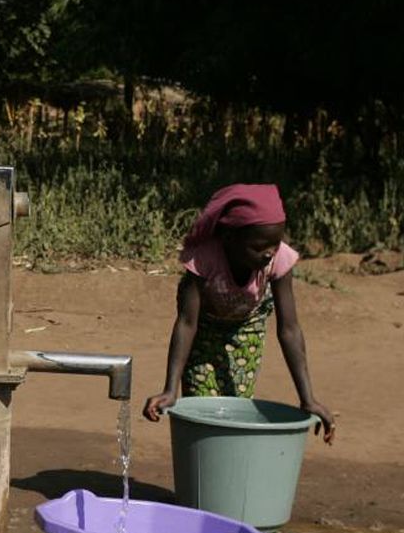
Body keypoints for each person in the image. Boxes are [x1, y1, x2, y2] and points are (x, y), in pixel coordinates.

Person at [142, 184, 336, 444]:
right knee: (203, 406)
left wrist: (307, 398)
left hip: (248, 327)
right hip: (204, 329)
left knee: (236, 406)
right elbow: (187, 323)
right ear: (230, 239)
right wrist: (170, 389)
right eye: (258, 246)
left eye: (274, 245)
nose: (268, 252)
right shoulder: (204, 259)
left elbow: (289, 329)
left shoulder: (278, 259)